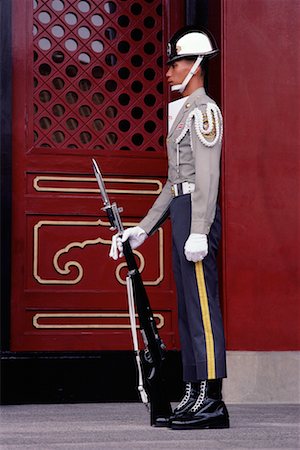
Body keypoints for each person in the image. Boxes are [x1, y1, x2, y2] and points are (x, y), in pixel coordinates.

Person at [110, 26, 229, 430]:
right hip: (181, 213)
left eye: (175, 64)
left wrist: (200, 228)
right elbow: (174, 182)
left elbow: (207, 178)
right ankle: (195, 392)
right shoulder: (182, 114)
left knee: (203, 309)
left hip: (197, 217)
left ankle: (213, 399)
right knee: (188, 310)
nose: (168, 72)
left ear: (195, 66)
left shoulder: (204, 111)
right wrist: (144, 228)